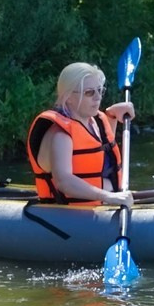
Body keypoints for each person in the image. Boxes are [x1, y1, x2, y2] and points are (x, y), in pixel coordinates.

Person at [26, 61, 135, 206]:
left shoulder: (93, 121)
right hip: (68, 214)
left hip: (101, 203)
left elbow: (101, 151)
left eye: (100, 90)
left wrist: (113, 114)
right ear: (69, 97)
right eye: (89, 92)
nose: (98, 97)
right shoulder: (61, 135)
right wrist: (109, 197)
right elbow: (63, 182)